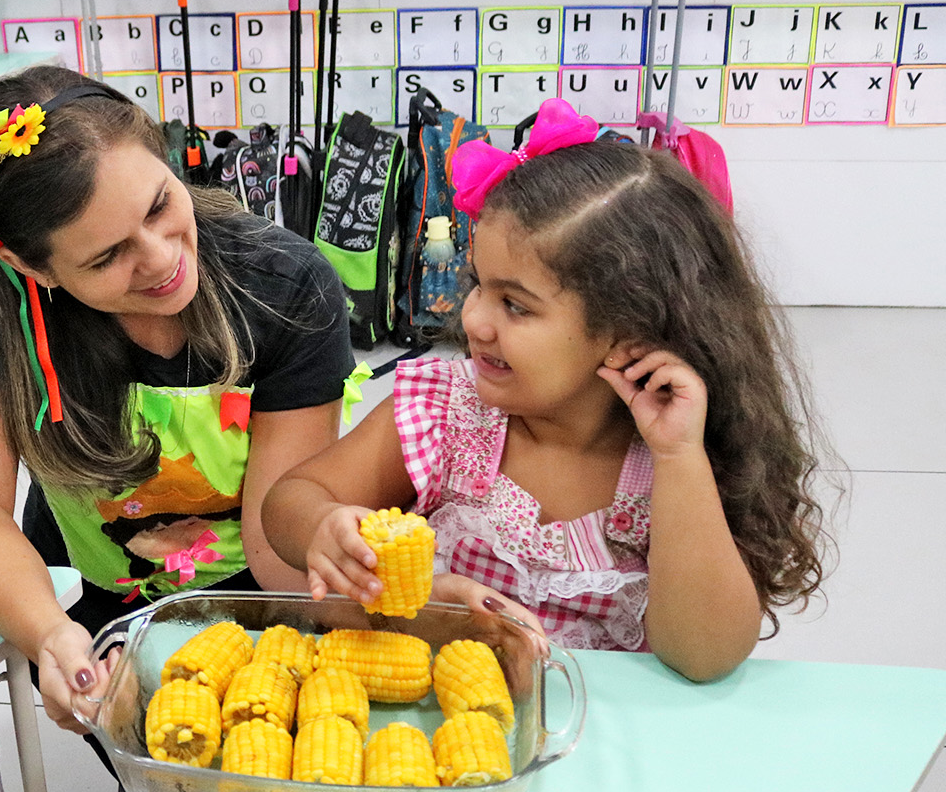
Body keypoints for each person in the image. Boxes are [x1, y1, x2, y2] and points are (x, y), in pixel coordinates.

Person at [0, 66, 543, 792]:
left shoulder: (283, 285)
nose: (159, 260)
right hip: (97, 593)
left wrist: (395, 602)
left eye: (159, 206)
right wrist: (51, 634)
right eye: (108, 257)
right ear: (36, 270)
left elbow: (274, 545)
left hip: (257, 599)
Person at [266, 97, 829, 678]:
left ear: (629, 332)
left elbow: (704, 656)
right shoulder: (444, 410)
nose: (473, 319)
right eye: (478, 284)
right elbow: (291, 499)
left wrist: (679, 455)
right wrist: (324, 527)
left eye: (515, 305)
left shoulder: (675, 462)